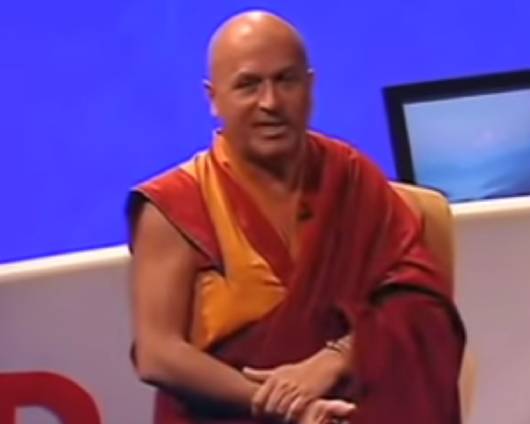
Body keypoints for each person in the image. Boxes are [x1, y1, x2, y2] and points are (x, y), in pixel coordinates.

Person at [127, 10, 465, 424]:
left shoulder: (350, 177)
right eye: (248, 85)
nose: (270, 103)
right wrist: (288, 405)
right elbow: (158, 354)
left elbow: (421, 307)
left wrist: (336, 359)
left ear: (310, 86)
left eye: (286, 81)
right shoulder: (174, 205)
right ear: (213, 98)